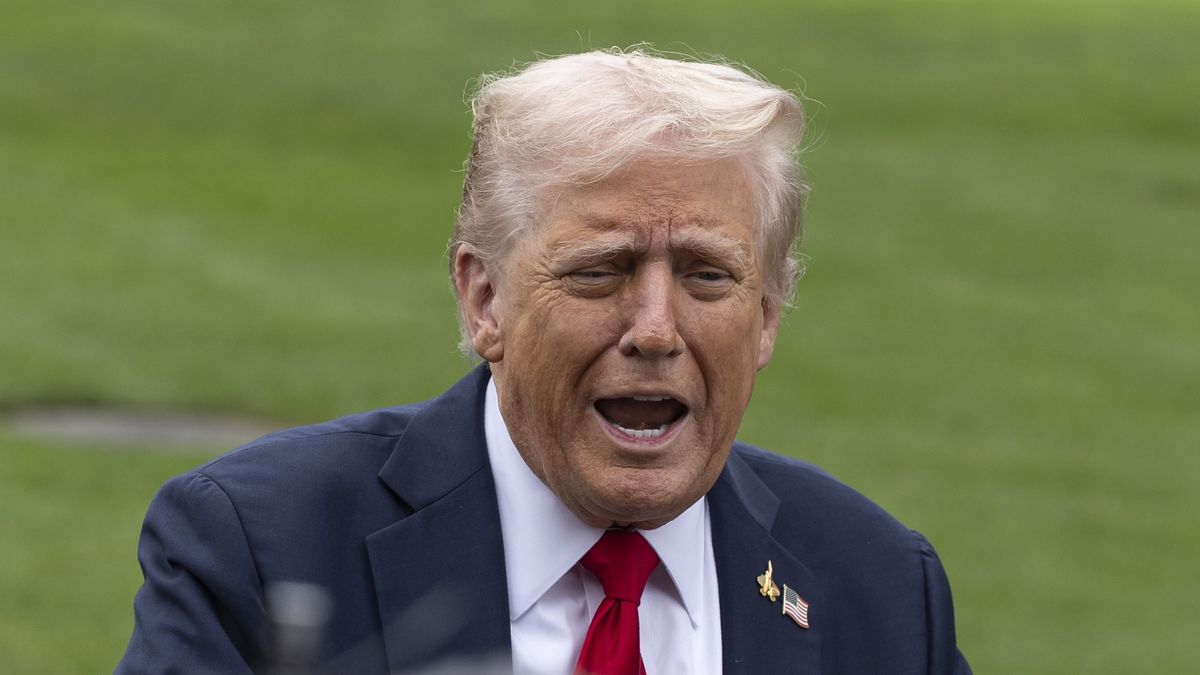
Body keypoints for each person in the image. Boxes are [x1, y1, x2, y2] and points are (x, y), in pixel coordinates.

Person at [117, 49, 972, 674]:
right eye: (599, 271)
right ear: (484, 297)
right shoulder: (260, 550)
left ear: (766, 317)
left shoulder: (881, 590)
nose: (655, 329)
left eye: (707, 276)